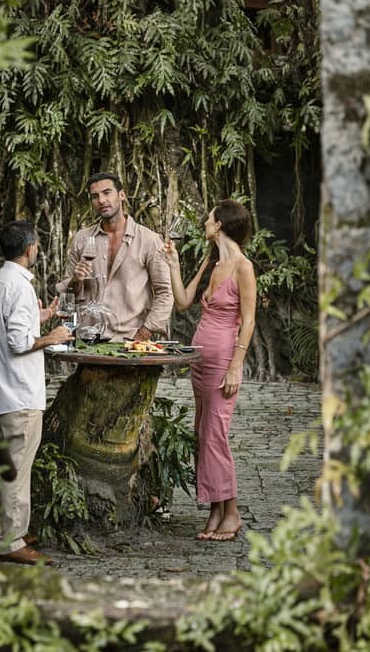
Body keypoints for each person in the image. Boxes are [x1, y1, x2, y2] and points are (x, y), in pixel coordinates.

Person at [163, 200, 257, 542]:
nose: (204, 221)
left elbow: (248, 322)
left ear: (219, 225)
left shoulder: (243, 268)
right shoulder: (213, 261)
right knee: (203, 434)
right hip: (200, 361)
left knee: (215, 435)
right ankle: (216, 509)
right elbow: (184, 300)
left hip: (222, 363)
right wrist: (173, 263)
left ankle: (232, 512)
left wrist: (236, 366)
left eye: (209, 217)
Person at [0, 220, 73, 565]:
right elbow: (19, 342)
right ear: (31, 248)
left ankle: (4, 529)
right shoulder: (19, 286)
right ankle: (11, 541)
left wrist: (41, 317)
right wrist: (54, 336)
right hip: (19, 393)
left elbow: (7, 327)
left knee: (3, 466)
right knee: (17, 469)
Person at [61, 172, 173, 341]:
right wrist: (76, 280)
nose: (102, 200)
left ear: (121, 195)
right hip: (90, 341)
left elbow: (165, 293)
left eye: (107, 193)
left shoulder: (149, 240)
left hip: (132, 342)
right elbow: (67, 296)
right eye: (95, 196)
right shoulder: (81, 239)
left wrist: (144, 333)